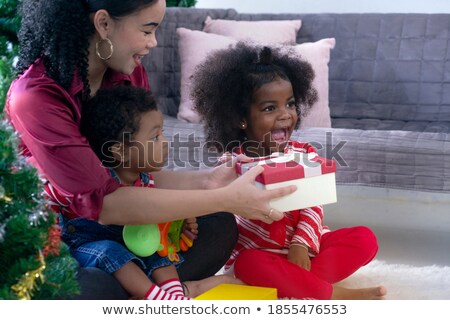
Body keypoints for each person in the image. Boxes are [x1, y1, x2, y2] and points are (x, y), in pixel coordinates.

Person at [4, 0, 295, 298]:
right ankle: (161, 291)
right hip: (65, 238)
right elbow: (105, 204)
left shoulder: (128, 74)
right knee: (87, 286)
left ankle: (148, 293)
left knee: (219, 226)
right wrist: (224, 198)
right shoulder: (35, 97)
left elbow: (134, 173)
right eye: (147, 30)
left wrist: (208, 182)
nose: (153, 43)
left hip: (126, 227)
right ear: (104, 24)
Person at [190, 42, 387, 300]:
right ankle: (331, 293)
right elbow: (221, 209)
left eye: (291, 104)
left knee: (365, 238)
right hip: (259, 255)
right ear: (241, 117)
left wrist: (300, 244)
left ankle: (298, 285)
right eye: (270, 108)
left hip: (307, 247)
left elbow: (313, 207)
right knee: (249, 264)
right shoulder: (231, 163)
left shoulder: (305, 153)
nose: (285, 115)